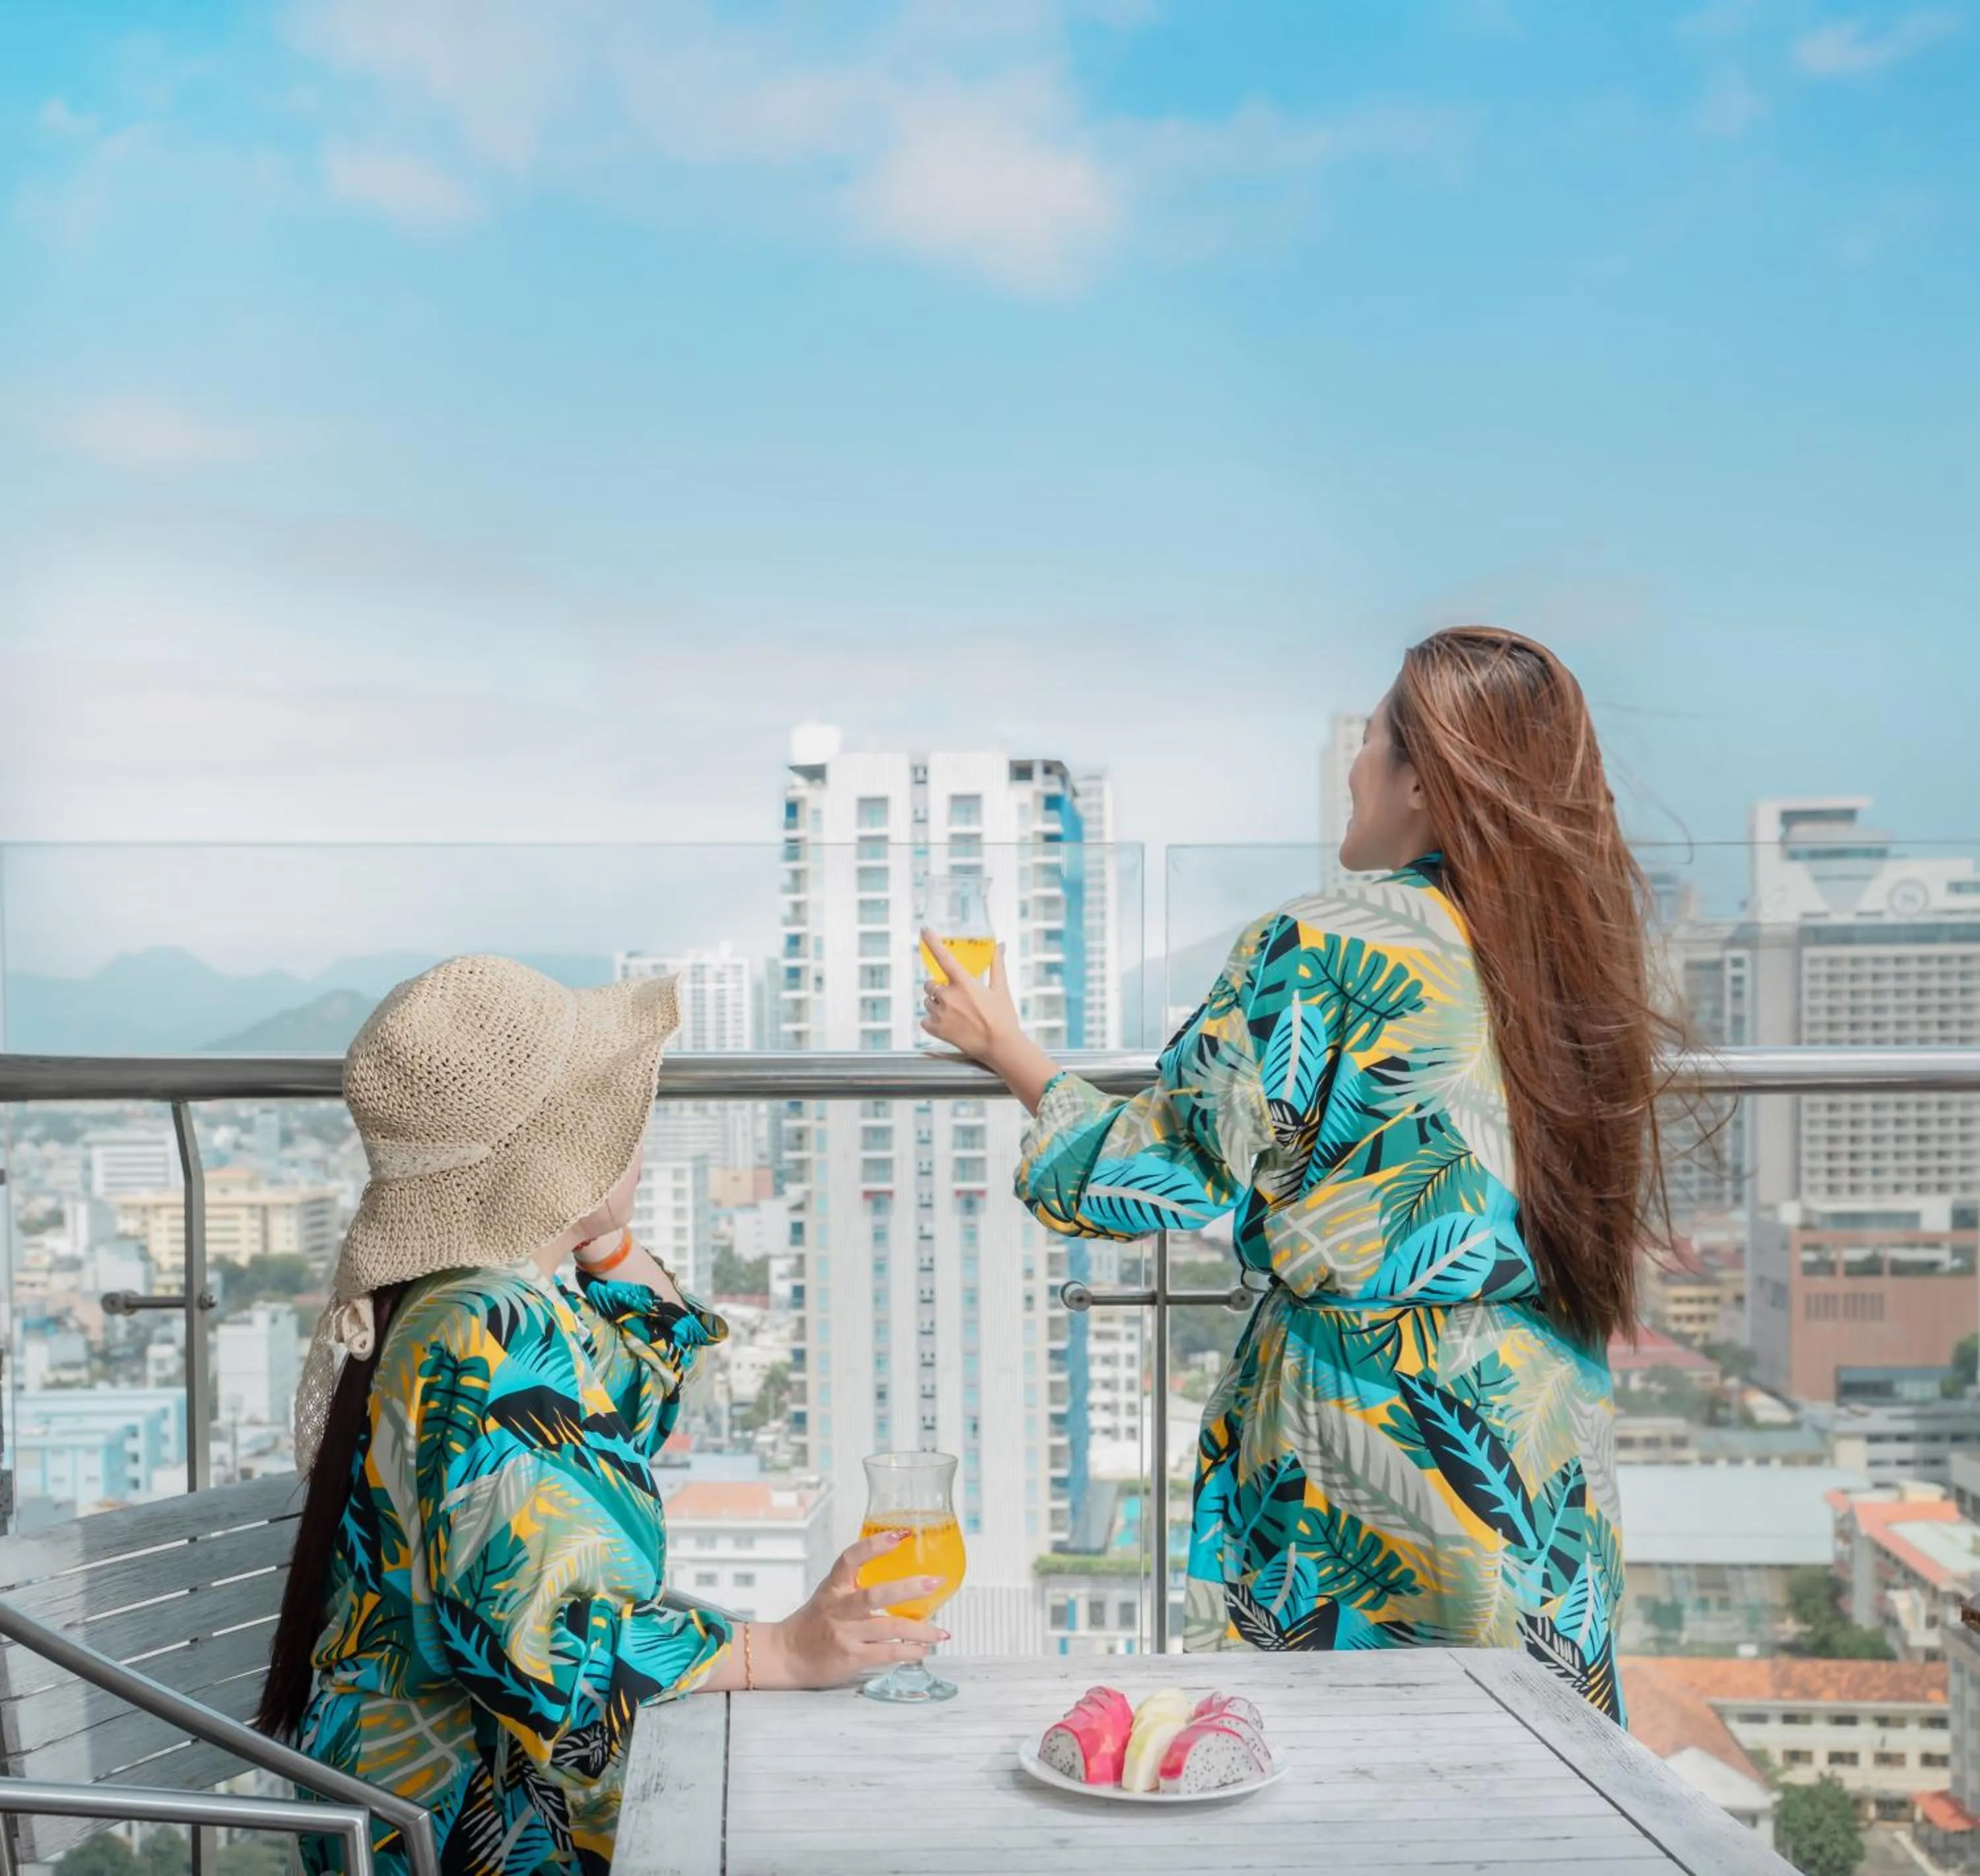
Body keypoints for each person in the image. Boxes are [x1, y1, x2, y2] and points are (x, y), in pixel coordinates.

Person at [923, 626, 1678, 1722]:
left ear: (1422, 778)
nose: (1354, 766)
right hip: (1543, 1425)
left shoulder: (1323, 943)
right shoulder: (1569, 955)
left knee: (1341, 1761)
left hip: (1363, 1431)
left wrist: (1008, 1050)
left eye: (1372, 739)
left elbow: (1161, 1170)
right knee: (1527, 1757)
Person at [259, 955, 945, 1876]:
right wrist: (781, 1651)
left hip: (431, 1790)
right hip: (480, 1822)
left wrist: (601, 1232)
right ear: (559, 1150)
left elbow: (633, 1403)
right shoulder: (487, 1328)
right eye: (612, 1117)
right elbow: (544, 1655)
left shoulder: (478, 1300)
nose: (635, 1135)